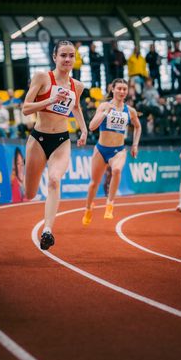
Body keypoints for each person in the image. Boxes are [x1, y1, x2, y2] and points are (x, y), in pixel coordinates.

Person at [22, 40, 88, 250]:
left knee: (53, 180)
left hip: (61, 140)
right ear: (55, 57)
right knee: (30, 193)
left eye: (71, 56)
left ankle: (48, 230)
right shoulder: (42, 77)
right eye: (63, 55)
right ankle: (30, 184)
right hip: (38, 139)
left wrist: (84, 129)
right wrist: (50, 100)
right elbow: (25, 108)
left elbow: (76, 107)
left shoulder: (78, 86)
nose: (67, 59)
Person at [82, 78, 141, 225]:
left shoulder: (130, 111)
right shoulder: (104, 106)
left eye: (124, 89)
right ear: (112, 89)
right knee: (93, 184)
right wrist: (104, 114)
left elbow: (138, 127)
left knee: (116, 171)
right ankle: (88, 208)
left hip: (119, 150)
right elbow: (91, 127)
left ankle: (110, 204)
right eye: (119, 88)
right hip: (101, 150)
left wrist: (134, 145)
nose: (122, 91)